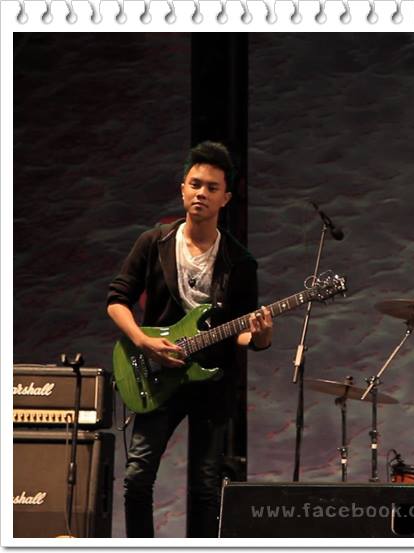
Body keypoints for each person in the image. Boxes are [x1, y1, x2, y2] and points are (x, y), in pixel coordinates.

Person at [107, 141, 273, 537]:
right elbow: (116, 301)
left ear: (225, 198)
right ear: (182, 187)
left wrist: (261, 338)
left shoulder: (240, 262)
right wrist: (144, 342)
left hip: (210, 383)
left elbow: (241, 332)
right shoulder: (154, 242)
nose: (201, 193)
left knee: (205, 487)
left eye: (212, 187)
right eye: (195, 184)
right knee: (137, 476)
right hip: (155, 372)